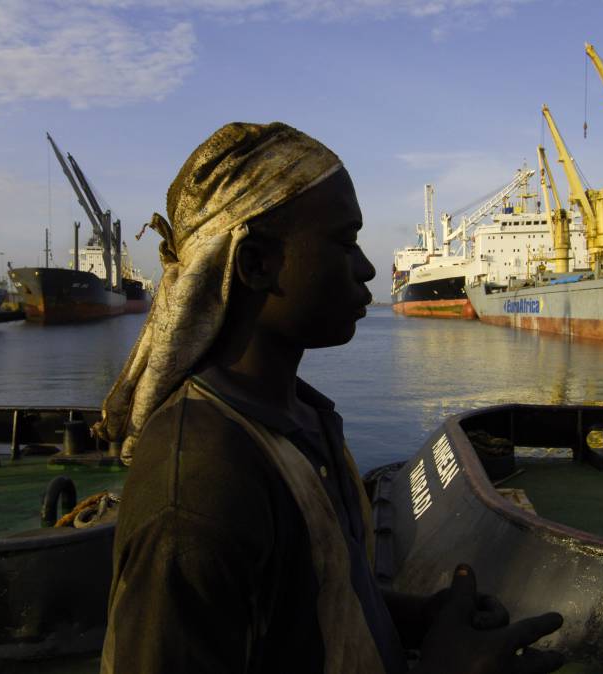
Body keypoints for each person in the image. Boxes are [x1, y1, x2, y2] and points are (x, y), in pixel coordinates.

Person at [95, 121, 563, 673]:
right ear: (257, 265)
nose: (367, 268)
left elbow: (315, 597)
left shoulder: (302, 417)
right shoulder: (199, 487)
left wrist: (418, 618)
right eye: (344, 242)